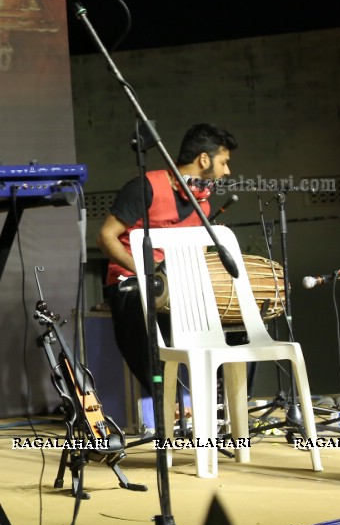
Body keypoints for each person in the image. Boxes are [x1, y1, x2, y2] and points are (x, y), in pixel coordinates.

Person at [96, 123, 237, 393]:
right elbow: (105, 237)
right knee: (143, 312)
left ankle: (218, 397)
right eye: (224, 162)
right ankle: (165, 400)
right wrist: (147, 273)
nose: (227, 171)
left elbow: (199, 255)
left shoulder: (203, 205)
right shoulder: (145, 187)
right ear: (204, 159)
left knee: (232, 320)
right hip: (132, 283)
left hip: (177, 288)